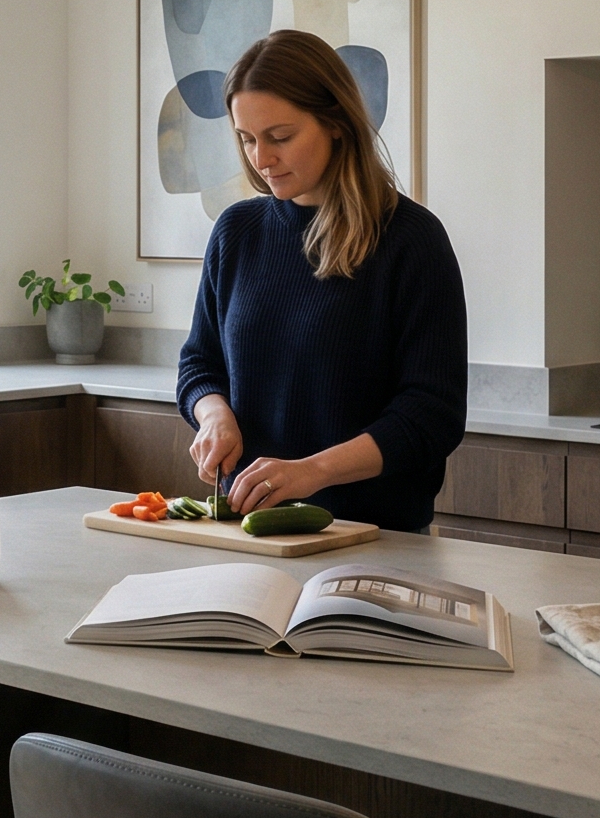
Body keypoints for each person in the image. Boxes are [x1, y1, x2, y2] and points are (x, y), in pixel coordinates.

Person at [177, 30, 466, 534]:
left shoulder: (411, 241)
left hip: (376, 539)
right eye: (246, 138)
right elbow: (199, 363)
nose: (260, 158)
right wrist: (213, 414)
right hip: (250, 535)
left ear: (335, 123)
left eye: (280, 137)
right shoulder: (236, 232)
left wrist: (313, 472)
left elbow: (431, 415)